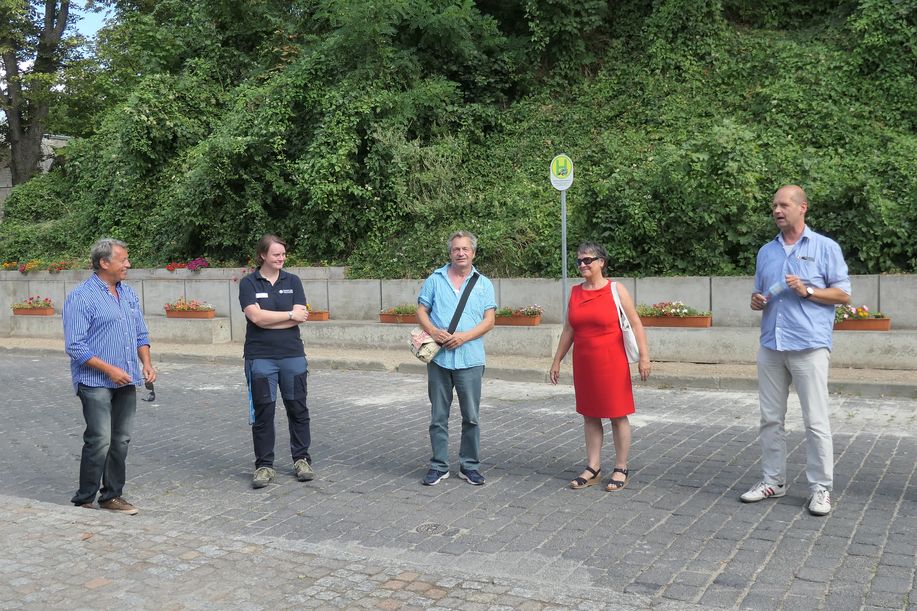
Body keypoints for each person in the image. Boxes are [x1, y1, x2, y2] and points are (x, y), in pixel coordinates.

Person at [741, 185, 850, 516]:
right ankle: (773, 481)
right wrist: (756, 301)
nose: (777, 210)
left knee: (815, 420)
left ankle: (821, 488)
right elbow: (759, 294)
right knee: (770, 418)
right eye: (774, 205)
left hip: (808, 345)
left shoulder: (825, 247)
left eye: (784, 205)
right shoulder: (766, 252)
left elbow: (843, 294)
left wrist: (808, 290)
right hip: (771, 345)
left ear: (803, 208)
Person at [63, 238, 157, 515]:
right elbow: (75, 346)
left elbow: (141, 333)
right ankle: (84, 498)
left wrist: (147, 363)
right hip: (95, 382)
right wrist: (110, 370)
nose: (128, 264)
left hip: (126, 380)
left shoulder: (128, 294)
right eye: (123, 260)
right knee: (100, 439)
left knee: (121, 439)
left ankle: (111, 496)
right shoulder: (81, 297)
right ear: (104, 263)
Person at [550, 242, 650, 491]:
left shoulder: (615, 289)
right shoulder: (575, 292)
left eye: (588, 260)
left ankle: (621, 467)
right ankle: (593, 467)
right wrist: (557, 360)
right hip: (584, 362)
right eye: (579, 261)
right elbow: (569, 329)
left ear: (601, 262)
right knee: (590, 414)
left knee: (617, 413)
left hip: (612, 361)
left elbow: (635, 323)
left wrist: (644, 357)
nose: (582, 265)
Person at [416, 231, 496, 486]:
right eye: (456, 249)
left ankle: (469, 466)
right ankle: (438, 466)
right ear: (450, 253)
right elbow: (421, 310)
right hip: (440, 360)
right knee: (438, 416)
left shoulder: (484, 284)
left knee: (471, 417)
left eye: (465, 249)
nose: (460, 253)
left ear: (473, 253)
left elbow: (489, 321)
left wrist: (464, 337)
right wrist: (433, 331)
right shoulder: (435, 279)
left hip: (470, 359)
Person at [238, 234, 314, 489]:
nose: (281, 258)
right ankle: (264, 465)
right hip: (260, 358)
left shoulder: (293, 281)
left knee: (298, 410)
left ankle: (302, 459)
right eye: (276, 254)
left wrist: (272, 318)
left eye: (283, 254)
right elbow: (256, 318)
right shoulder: (249, 283)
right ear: (263, 255)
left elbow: (300, 316)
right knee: (263, 412)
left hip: (292, 355)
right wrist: (289, 315)